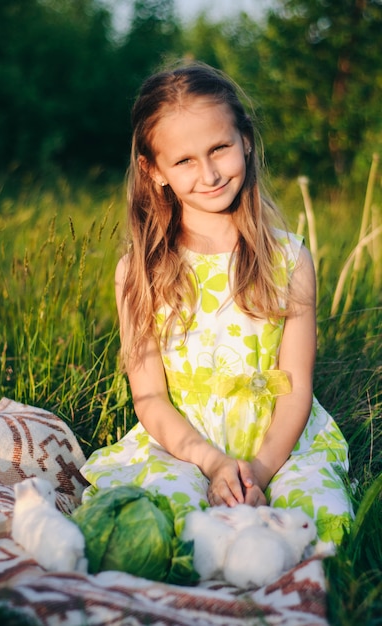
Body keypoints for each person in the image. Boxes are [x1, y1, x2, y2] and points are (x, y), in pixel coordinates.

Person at [81, 60, 353, 552]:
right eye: (183, 161)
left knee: (319, 517)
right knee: (166, 519)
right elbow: (150, 400)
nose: (208, 173)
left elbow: (296, 389)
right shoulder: (140, 271)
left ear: (245, 140)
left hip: (282, 443)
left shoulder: (289, 258)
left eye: (219, 149)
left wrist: (261, 471)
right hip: (185, 445)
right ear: (154, 171)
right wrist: (212, 463)